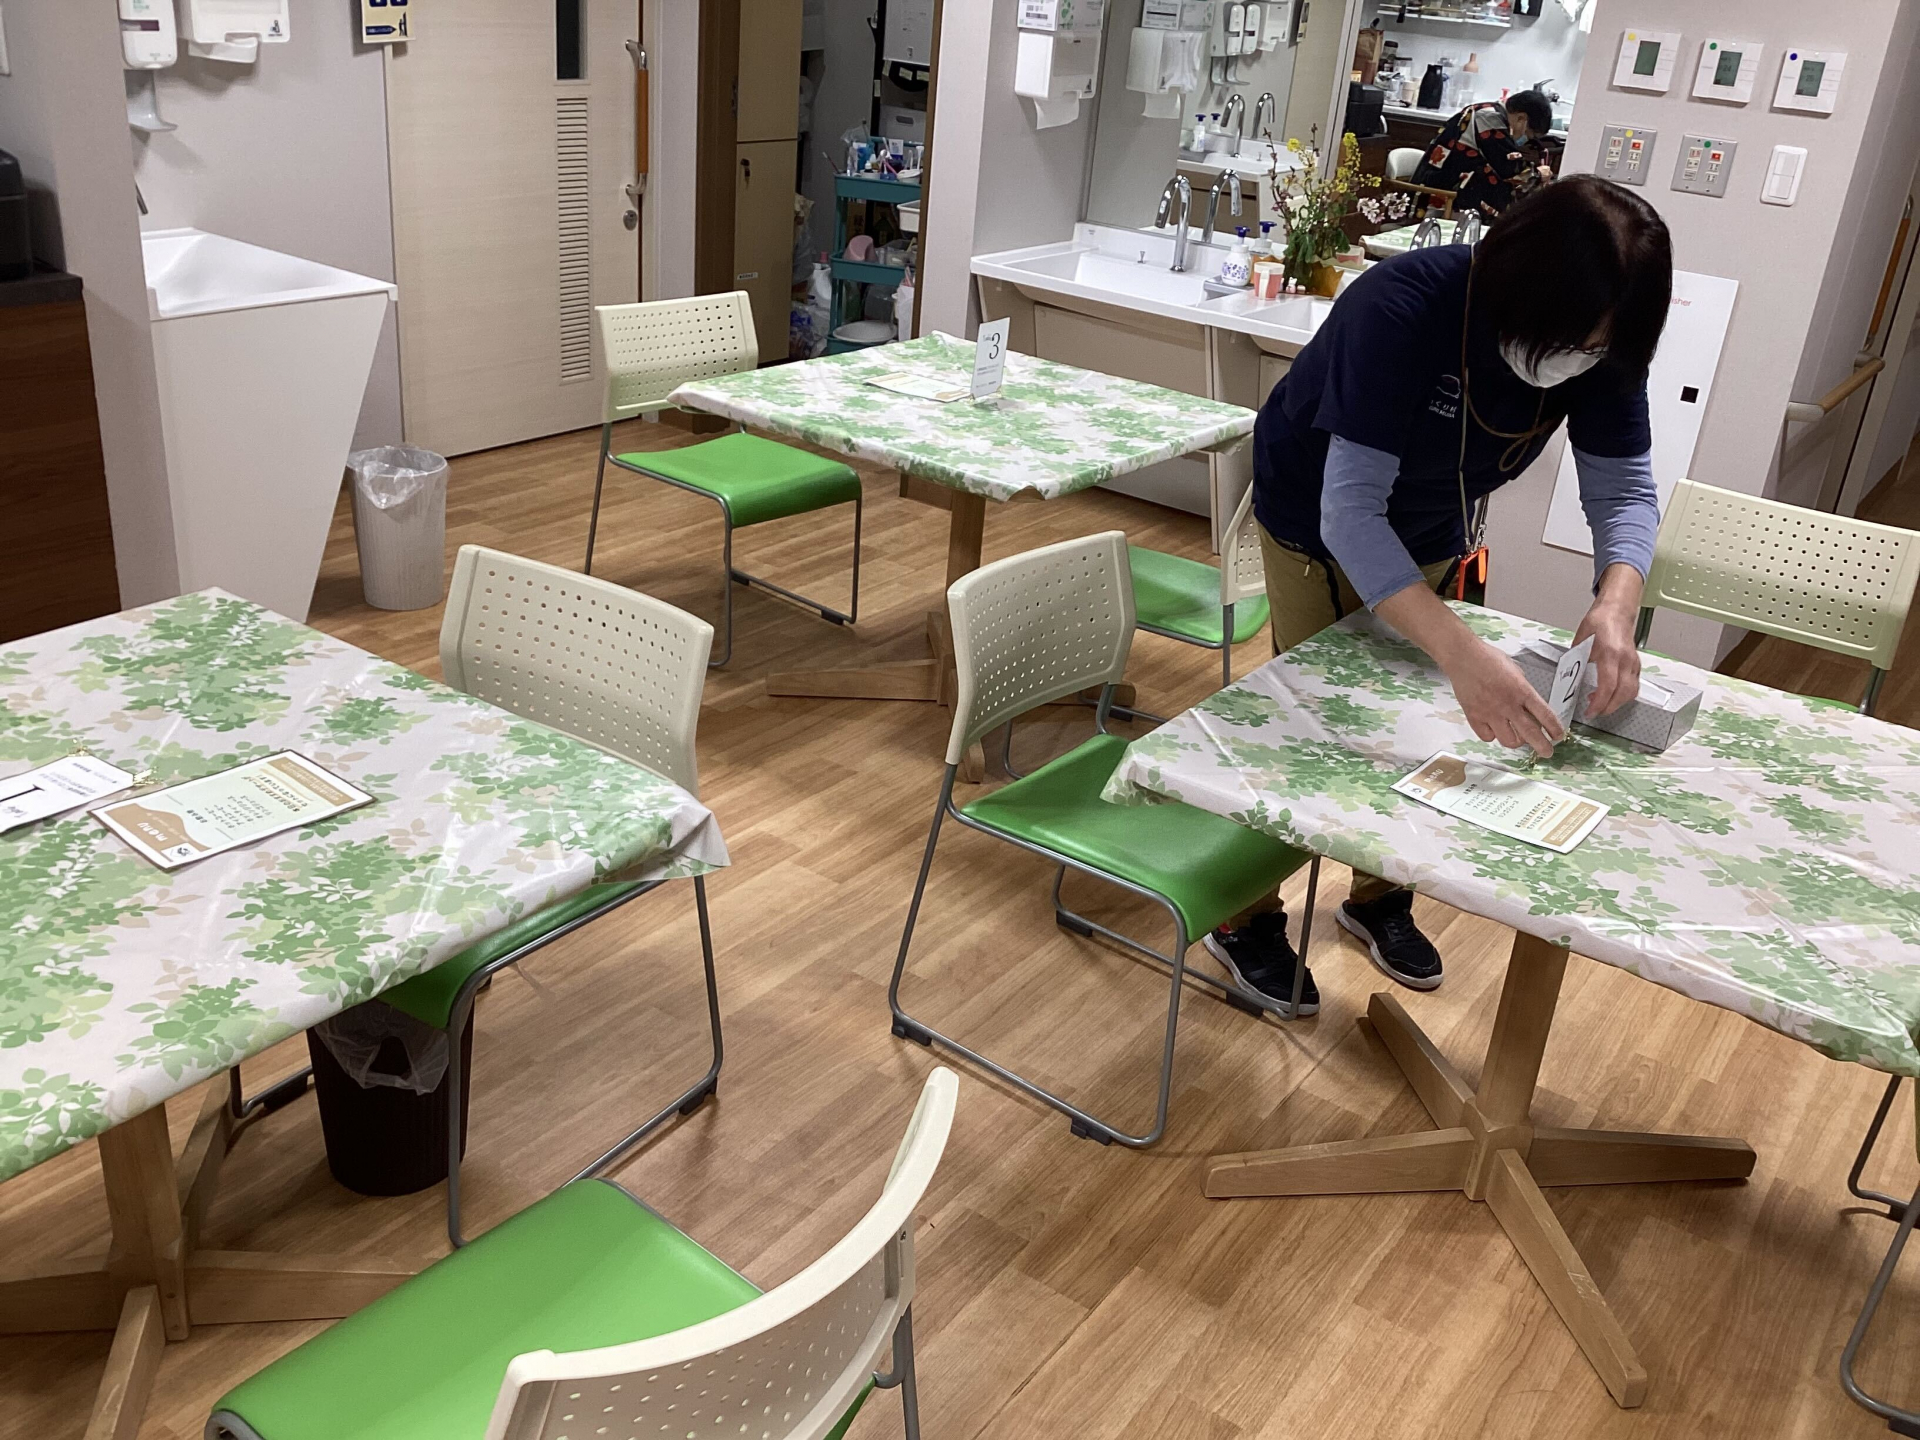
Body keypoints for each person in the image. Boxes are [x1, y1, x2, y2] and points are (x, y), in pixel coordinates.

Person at [1204, 175, 1669, 1011]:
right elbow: (1350, 512)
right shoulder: (1403, 307)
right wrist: (1464, 656)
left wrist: (1616, 600)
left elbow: (1625, 490)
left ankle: (1378, 896)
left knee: (1407, 722)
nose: (1581, 359)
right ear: (1516, 295)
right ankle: (1244, 915)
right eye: (1574, 342)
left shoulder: (1602, 338)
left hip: (1428, 522)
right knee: (1307, 721)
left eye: (1597, 348)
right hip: (1315, 516)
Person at [1411, 89, 1557, 219]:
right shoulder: (1488, 118)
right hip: (1440, 196)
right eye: (1529, 135)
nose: (1525, 140)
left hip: (1450, 186)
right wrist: (1538, 174)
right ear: (1521, 118)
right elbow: (1509, 168)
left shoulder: (1487, 111)